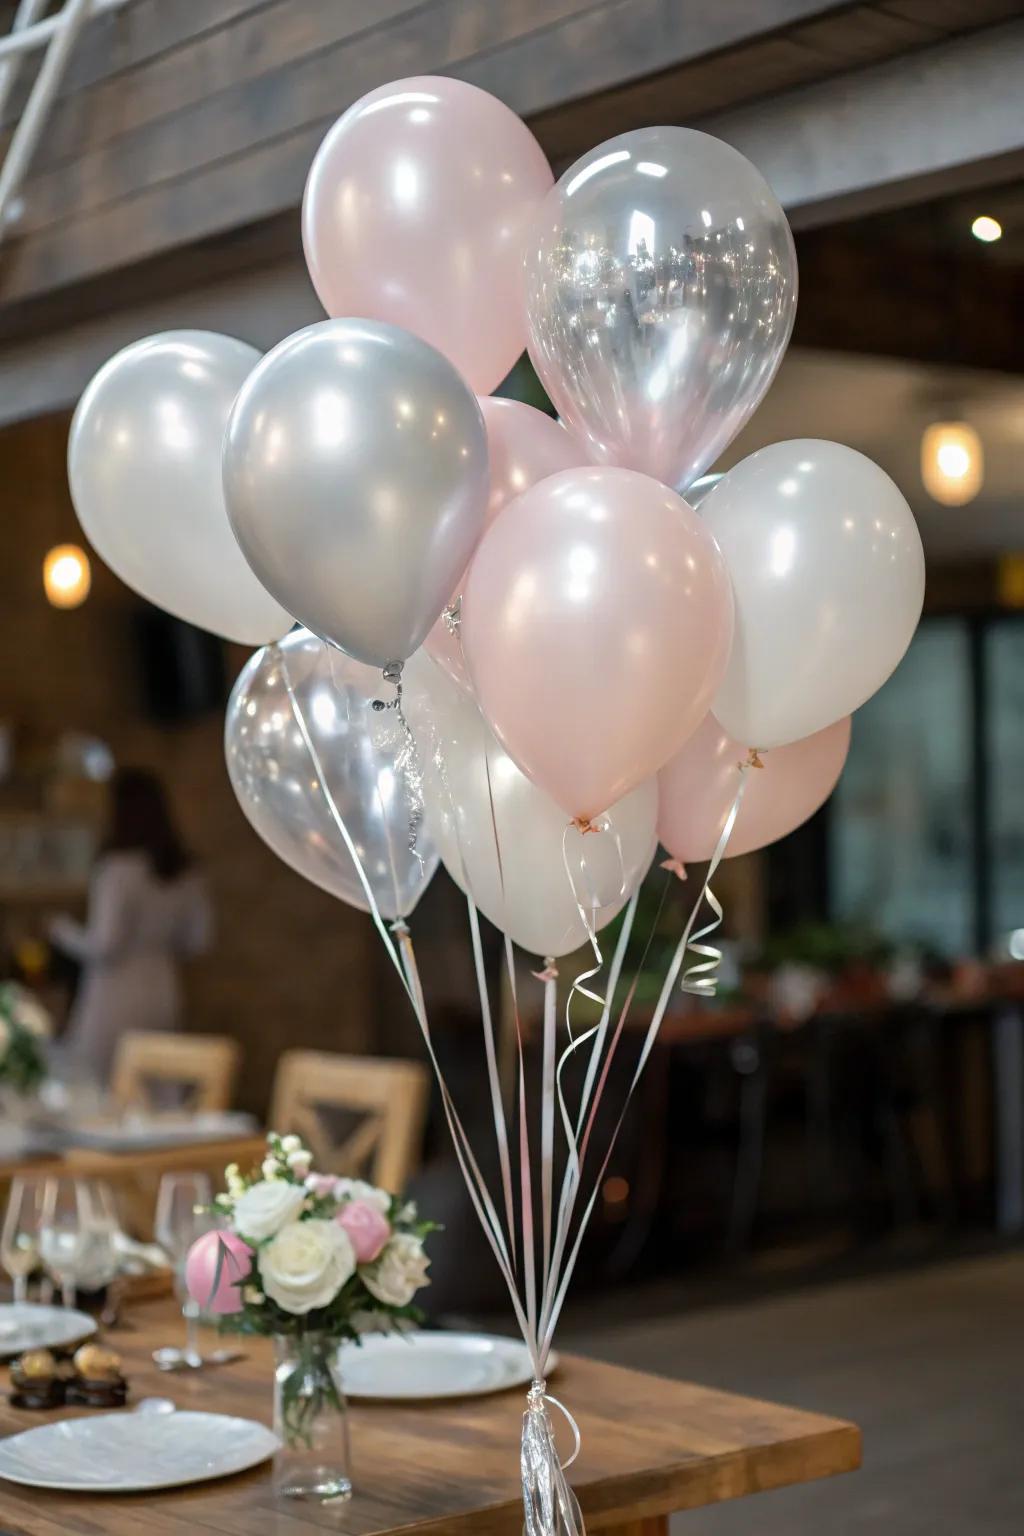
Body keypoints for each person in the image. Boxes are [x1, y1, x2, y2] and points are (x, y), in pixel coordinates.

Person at [49, 768, 212, 1083]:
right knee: (158, 1087)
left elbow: (106, 944)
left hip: (116, 992)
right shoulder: (186, 871)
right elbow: (199, 940)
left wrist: (61, 930)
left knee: (98, 1084)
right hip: (164, 987)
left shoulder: (117, 869)